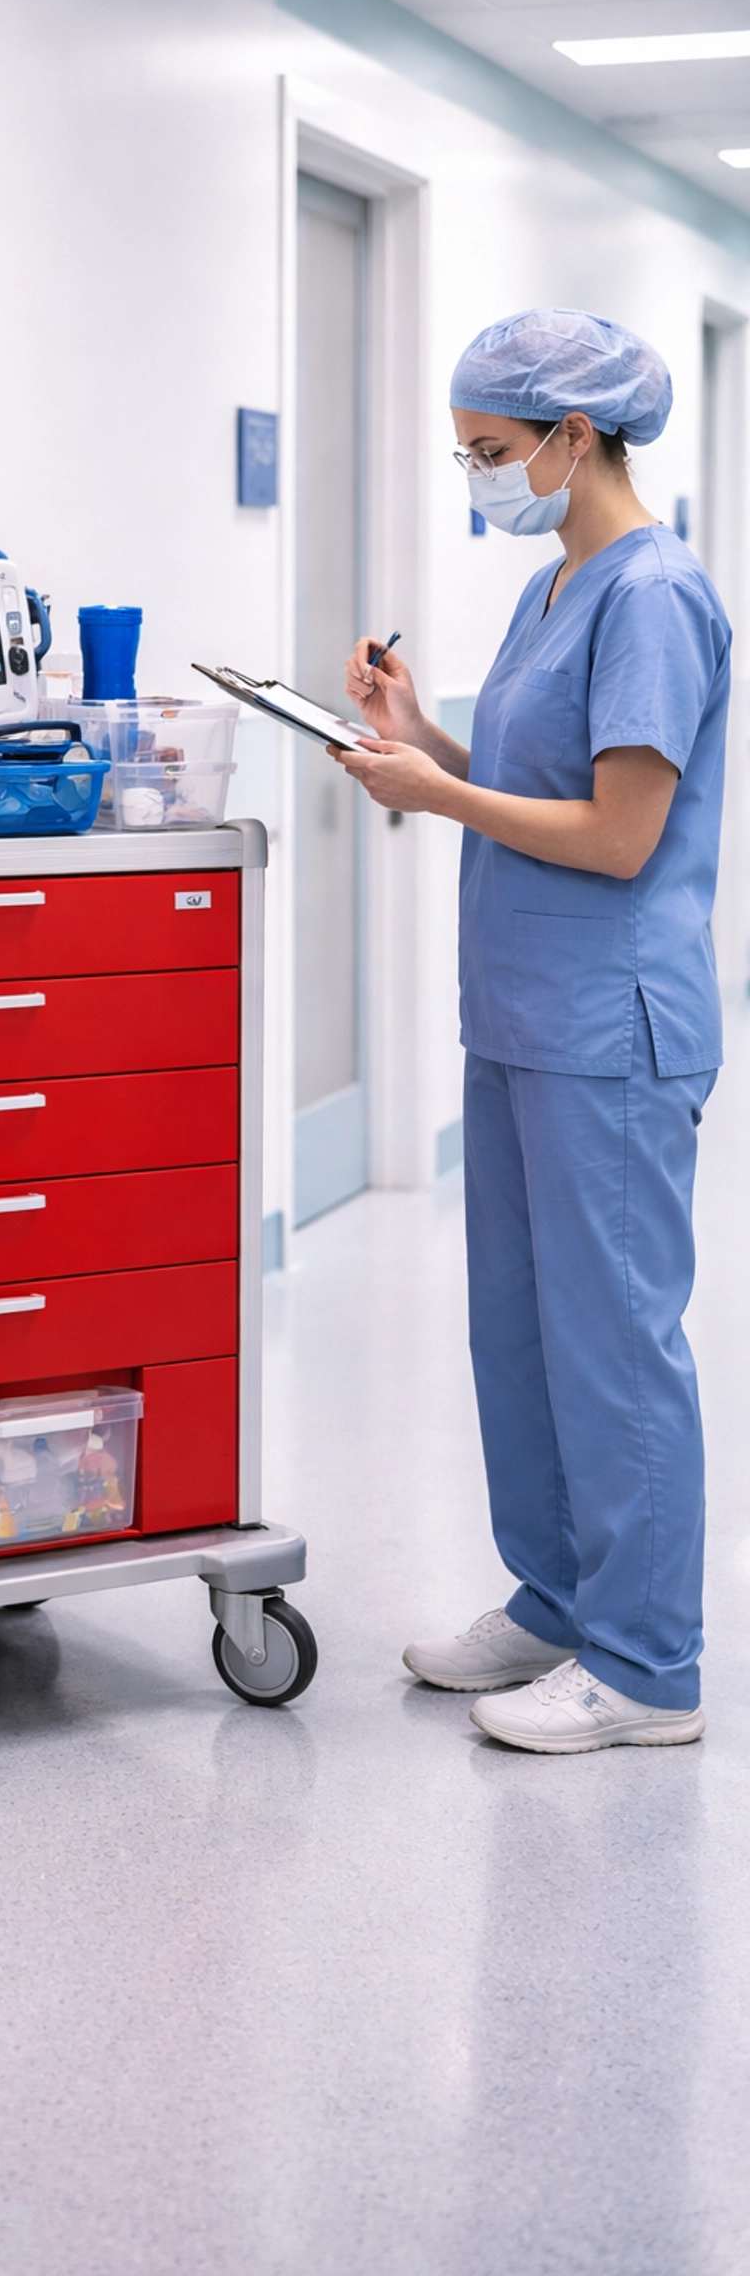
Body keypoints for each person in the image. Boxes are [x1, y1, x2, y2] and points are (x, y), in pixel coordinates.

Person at [335, 308, 730, 1755]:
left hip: (611, 1031)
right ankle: (560, 1602)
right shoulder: (557, 587)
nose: (481, 479)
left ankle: (646, 1670)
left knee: (614, 1346)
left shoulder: (655, 596)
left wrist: (436, 800)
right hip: (517, 1019)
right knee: (522, 1333)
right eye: (468, 454)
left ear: (577, 437)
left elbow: (622, 837)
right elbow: (525, 774)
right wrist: (422, 735)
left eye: (495, 453)